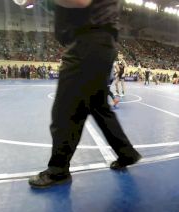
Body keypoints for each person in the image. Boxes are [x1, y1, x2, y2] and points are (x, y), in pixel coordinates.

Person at [29, 0, 141, 189]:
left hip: (87, 42)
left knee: (65, 111)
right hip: (99, 43)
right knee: (99, 106)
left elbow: (81, 1)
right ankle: (126, 153)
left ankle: (58, 170)